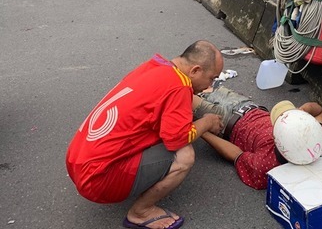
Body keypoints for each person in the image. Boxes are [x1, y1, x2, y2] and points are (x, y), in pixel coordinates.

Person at [65, 40, 225, 229]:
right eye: (211, 79)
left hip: (76, 160)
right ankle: (141, 212)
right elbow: (177, 139)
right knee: (185, 155)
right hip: (98, 180)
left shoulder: (156, 65)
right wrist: (207, 122)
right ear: (195, 70)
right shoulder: (180, 87)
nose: (209, 86)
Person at [194, 87, 322, 189]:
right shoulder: (319, 143)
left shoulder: (267, 166)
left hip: (224, 121)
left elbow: (236, 154)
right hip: (247, 105)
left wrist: (202, 131)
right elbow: (319, 110)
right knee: (203, 84)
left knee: (184, 95)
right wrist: (304, 110)